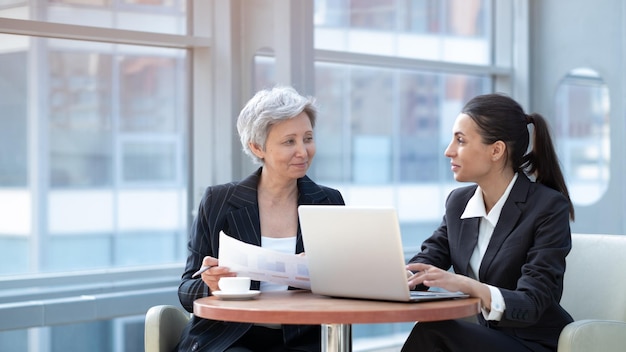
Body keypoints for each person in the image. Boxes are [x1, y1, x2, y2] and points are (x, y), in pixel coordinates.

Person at [175, 86, 345, 352]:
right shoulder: (218, 201)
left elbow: (346, 286)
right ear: (257, 147)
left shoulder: (330, 202)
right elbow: (186, 291)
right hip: (230, 337)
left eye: (308, 138)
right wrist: (210, 285)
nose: (303, 151)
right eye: (289, 141)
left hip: (302, 340)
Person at [402, 93, 575, 352]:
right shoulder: (459, 203)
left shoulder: (548, 207)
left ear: (496, 150)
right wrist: (400, 276)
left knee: (433, 333)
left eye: (460, 140)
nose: (448, 151)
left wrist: (468, 286)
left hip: (534, 344)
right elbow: (427, 260)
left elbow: (532, 302)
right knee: (432, 331)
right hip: (486, 340)